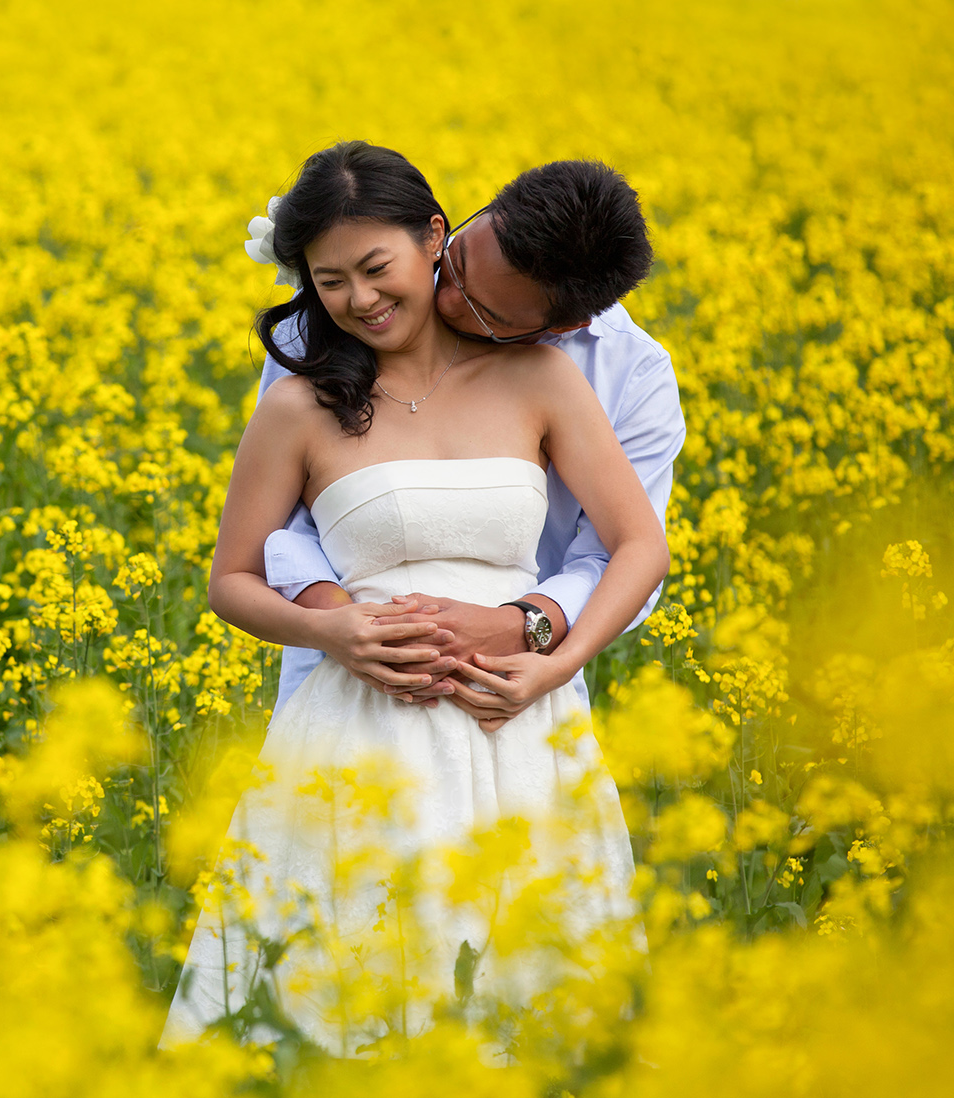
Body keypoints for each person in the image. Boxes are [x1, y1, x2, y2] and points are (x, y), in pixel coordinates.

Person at [162, 142, 668, 1050]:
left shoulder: (559, 376)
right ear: (453, 234)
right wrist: (339, 630)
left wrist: (546, 662)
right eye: (330, 279)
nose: (364, 299)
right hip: (357, 722)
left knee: (534, 996)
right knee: (336, 990)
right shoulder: (302, 394)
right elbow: (236, 572)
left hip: (517, 722)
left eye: (376, 271)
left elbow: (634, 547)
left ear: (545, 322)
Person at [259, 158, 685, 730]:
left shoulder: (627, 375)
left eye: (487, 312)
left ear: (556, 331)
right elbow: (281, 523)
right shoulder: (340, 319)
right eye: (456, 264)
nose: (448, 300)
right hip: (345, 687)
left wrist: (523, 627)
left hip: (510, 692)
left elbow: (622, 553)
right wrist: (352, 627)